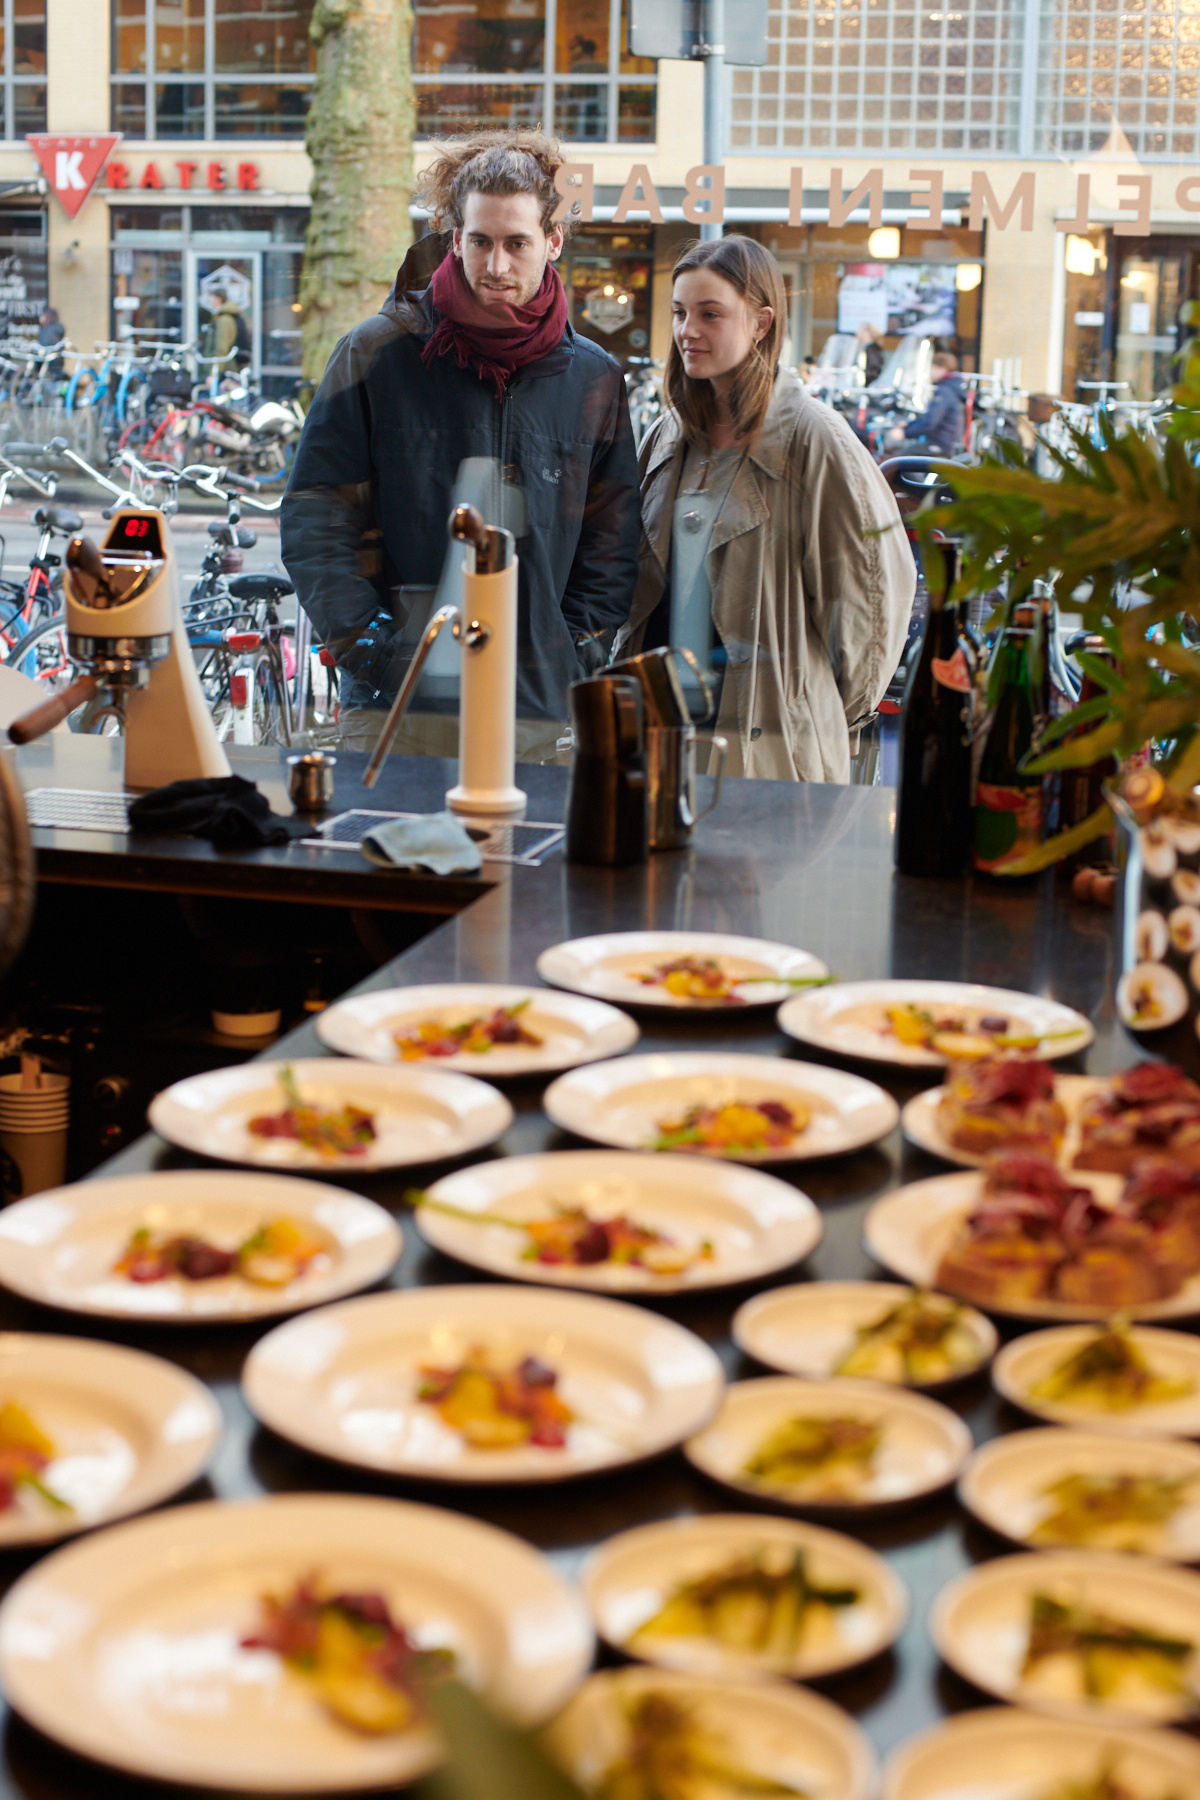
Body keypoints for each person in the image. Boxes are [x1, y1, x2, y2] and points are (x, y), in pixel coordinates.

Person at [281, 129, 640, 759]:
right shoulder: (377, 355)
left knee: (521, 858)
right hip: (394, 707)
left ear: (552, 243)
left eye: (516, 243)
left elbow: (611, 540)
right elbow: (318, 511)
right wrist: (371, 647)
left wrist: (568, 650)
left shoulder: (595, 378)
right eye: (480, 241)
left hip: (530, 712)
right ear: (455, 239)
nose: (496, 265)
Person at [617, 235, 914, 783]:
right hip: (659, 733)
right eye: (680, 313)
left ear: (761, 322)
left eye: (711, 314)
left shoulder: (816, 439)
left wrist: (818, 718)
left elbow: (872, 600)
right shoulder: (667, 433)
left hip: (767, 740)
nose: (688, 331)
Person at [885, 350, 967, 456]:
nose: (930, 373)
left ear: (941, 368)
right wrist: (908, 425)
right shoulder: (952, 388)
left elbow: (930, 423)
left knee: (899, 460)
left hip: (938, 445)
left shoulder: (944, 391)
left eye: (932, 368)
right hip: (944, 444)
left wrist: (904, 433)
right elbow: (930, 419)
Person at [204, 287, 249, 370]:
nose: (210, 300)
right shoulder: (224, 317)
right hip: (225, 366)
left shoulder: (223, 320)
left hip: (224, 369)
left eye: (211, 297)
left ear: (218, 299)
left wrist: (215, 372)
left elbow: (221, 347)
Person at [855, 321, 886, 385]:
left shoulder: (873, 349)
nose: (857, 334)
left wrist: (865, 378)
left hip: (869, 386)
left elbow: (874, 369)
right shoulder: (864, 347)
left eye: (860, 331)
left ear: (867, 333)